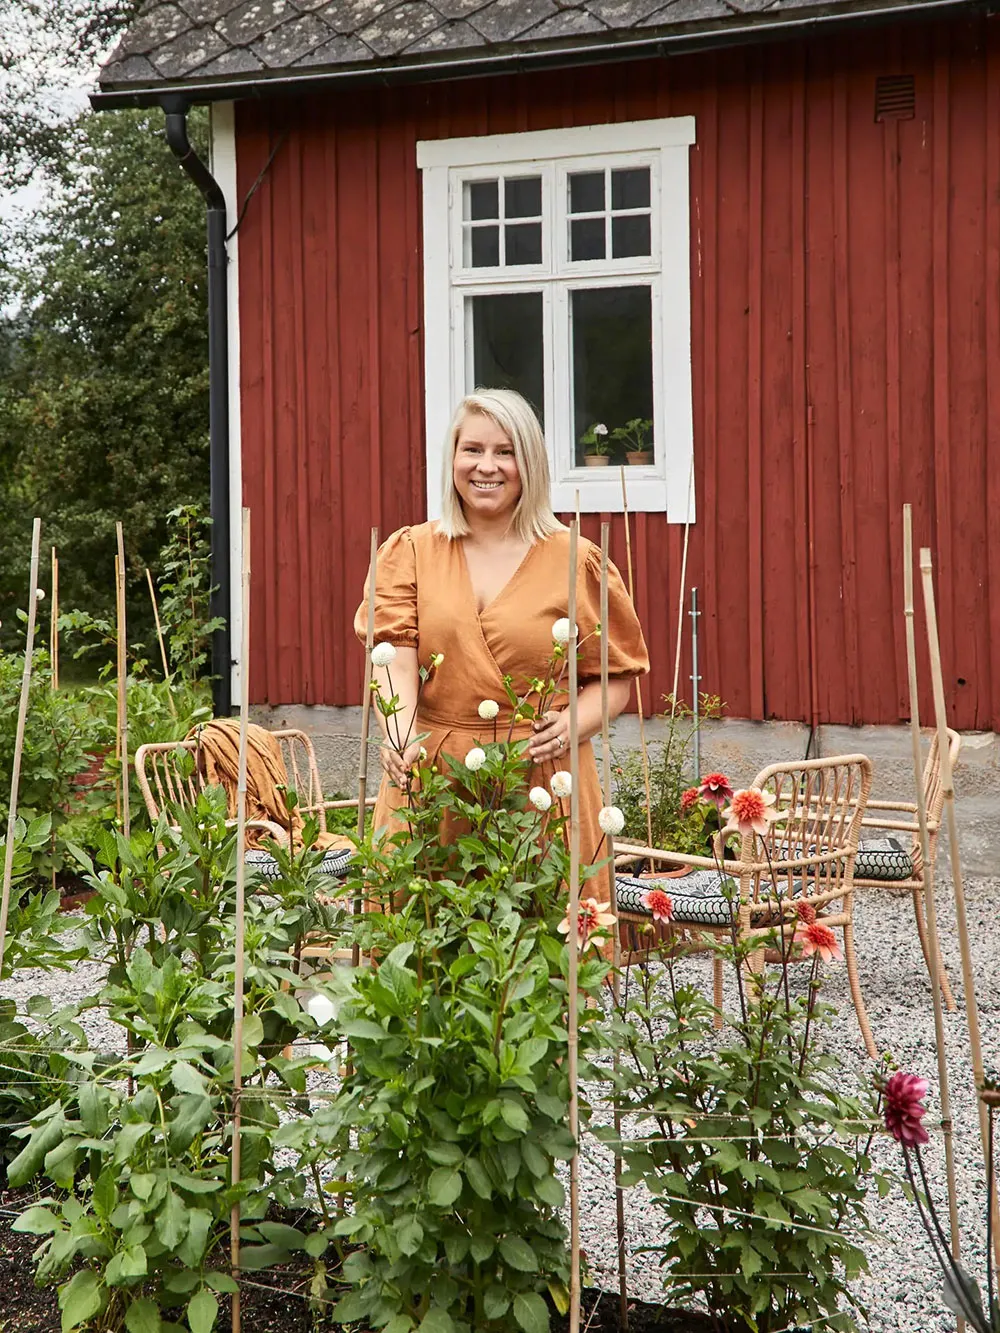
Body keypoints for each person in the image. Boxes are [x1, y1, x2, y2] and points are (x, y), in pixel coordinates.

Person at [353, 388, 649, 907]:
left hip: (540, 781)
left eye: (504, 451)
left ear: (528, 462)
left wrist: (571, 724)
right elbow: (394, 656)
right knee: (421, 956)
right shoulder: (410, 552)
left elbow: (614, 677)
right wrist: (401, 738)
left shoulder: (575, 560)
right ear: (452, 458)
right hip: (433, 781)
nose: (486, 466)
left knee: (544, 954)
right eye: (472, 449)